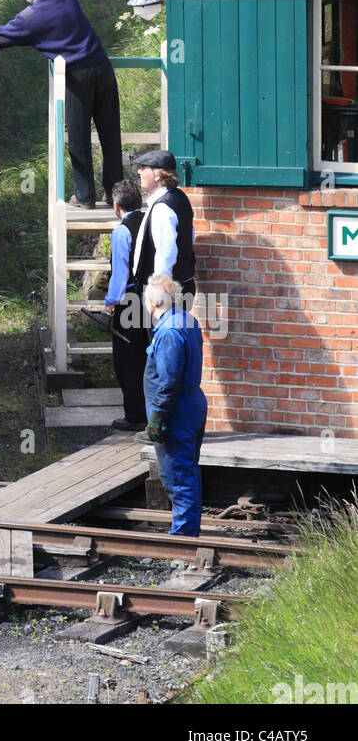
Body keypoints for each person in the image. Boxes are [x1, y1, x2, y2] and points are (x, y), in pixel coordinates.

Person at [0, 0, 124, 207]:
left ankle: (85, 196)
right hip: (103, 67)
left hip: (77, 77)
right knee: (110, 134)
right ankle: (116, 194)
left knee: (78, 138)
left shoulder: (29, 18)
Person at [139, 273, 207, 536]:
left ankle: (184, 538)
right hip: (192, 405)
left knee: (178, 476)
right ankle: (188, 531)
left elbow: (168, 383)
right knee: (187, 470)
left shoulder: (168, 333)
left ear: (154, 303)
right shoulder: (188, 320)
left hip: (176, 413)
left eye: (145, 299)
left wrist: (156, 418)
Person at [102, 179, 147, 430]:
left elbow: (120, 274)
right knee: (147, 356)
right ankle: (151, 413)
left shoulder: (122, 231)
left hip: (129, 302)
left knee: (127, 361)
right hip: (153, 300)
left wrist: (109, 305)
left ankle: (134, 416)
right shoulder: (150, 223)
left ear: (116, 206)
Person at [131, 149, 196, 305]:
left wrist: (159, 292)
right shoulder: (179, 197)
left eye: (144, 167)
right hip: (181, 286)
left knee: (162, 330)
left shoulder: (163, 207)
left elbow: (166, 253)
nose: (139, 171)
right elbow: (189, 236)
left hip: (166, 293)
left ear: (158, 175)